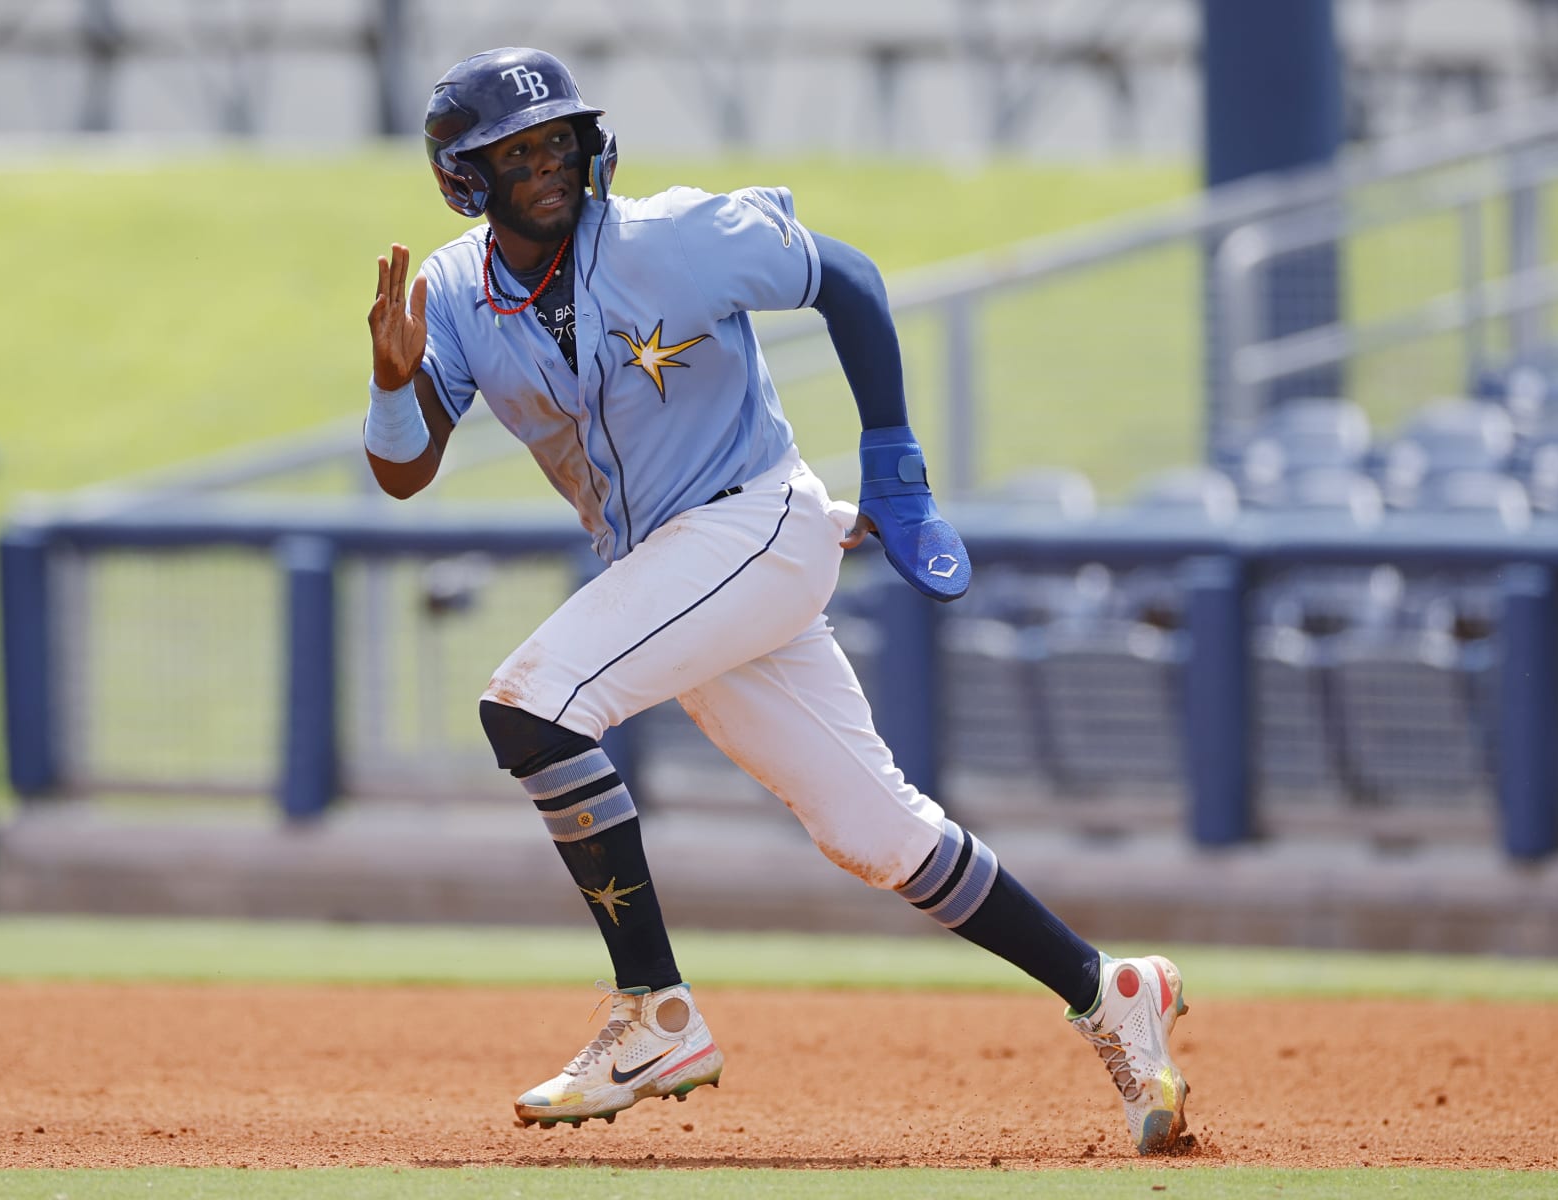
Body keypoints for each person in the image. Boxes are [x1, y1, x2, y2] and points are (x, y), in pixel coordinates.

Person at [363, 46, 1191, 1154]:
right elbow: (405, 471)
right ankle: (1110, 990)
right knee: (875, 833)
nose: (546, 164)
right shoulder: (458, 296)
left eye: (556, 140)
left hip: (754, 524)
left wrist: (893, 462)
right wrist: (391, 382)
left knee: (532, 701)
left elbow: (844, 275)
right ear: (465, 178)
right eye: (515, 153)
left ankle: (652, 1011)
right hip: (675, 569)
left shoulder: (670, 237)